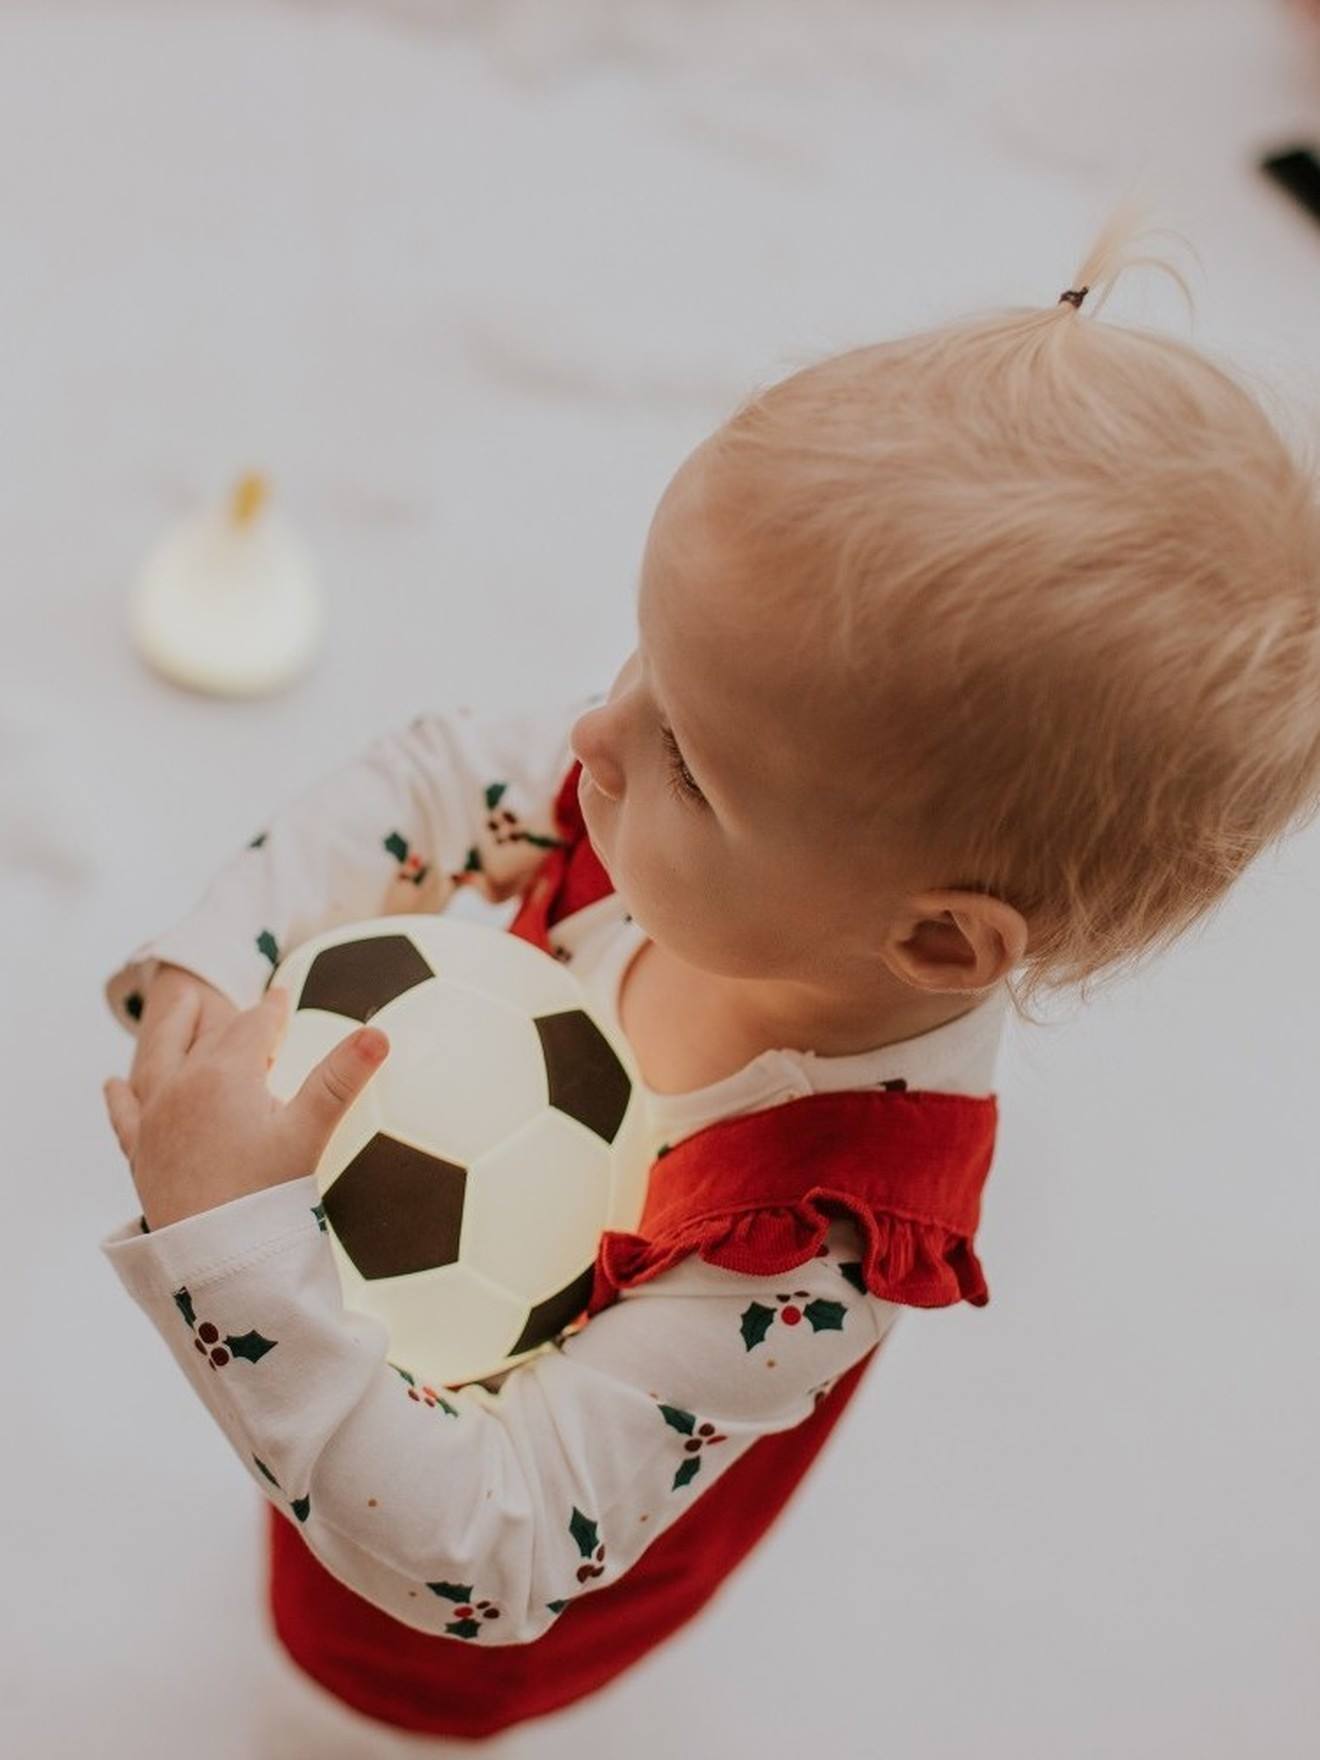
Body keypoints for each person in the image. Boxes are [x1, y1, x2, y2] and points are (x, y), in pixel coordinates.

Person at [99, 199, 1320, 1752]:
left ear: (939, 941)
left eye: (685, 752)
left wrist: (235, 1245)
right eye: (644, 662)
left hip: (429, 1575)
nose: (591, 735)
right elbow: (433, 780)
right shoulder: (729, 827)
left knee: (345, 1696)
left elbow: (490, 1546)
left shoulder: (808, 1237)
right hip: (335, 1353)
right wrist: (222, 976)